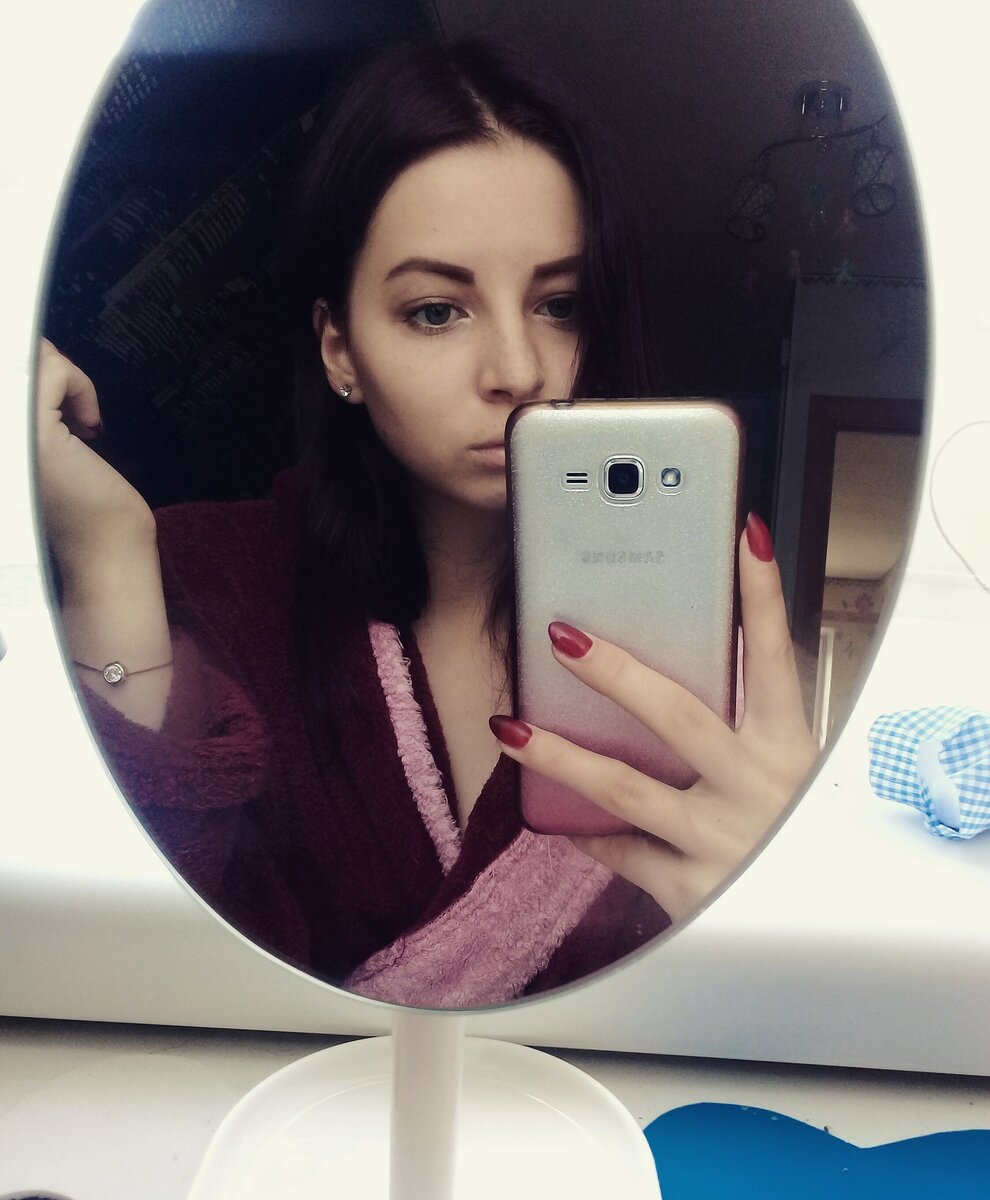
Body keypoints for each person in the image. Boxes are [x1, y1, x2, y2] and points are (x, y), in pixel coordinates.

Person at [36, 38, 817, 1007]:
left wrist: (777, 904)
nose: (518, 371)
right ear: (340, 351)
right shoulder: (200, 581)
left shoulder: (703, 668)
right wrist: (107, 557)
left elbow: (744, 1017)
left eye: (560, 304)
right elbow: (122, 972)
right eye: (437, 311)